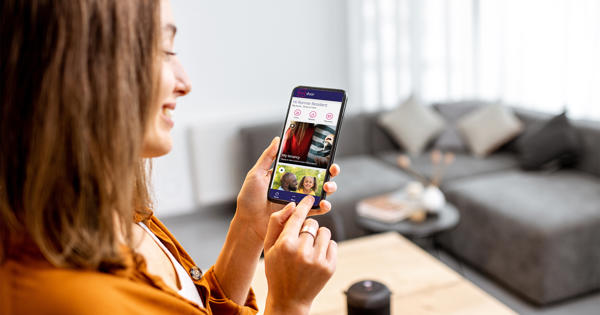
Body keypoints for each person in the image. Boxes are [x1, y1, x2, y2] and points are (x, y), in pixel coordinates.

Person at [0, 1, 341, 314]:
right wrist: (288, 303)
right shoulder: (75, 299)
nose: (185, 82)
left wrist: (248, 229)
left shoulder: (118, 214)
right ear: (82, 73)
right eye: (163, 51)